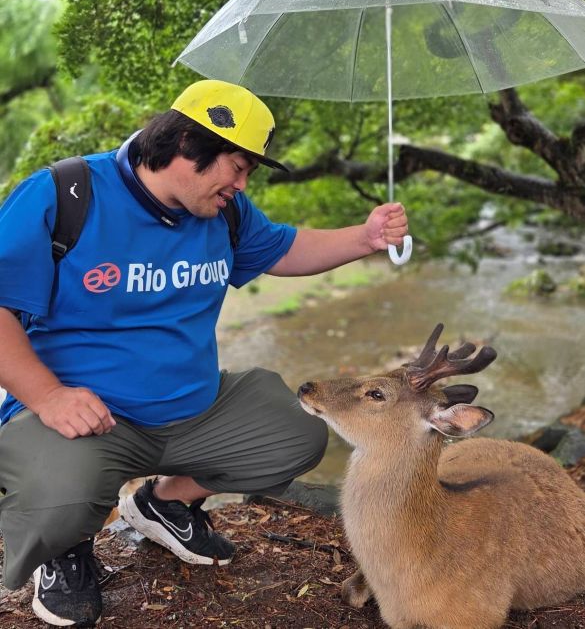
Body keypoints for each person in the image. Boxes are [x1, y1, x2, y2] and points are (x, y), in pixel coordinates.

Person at [0, 79, 409, 627]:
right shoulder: (65, 194)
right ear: (187, 147)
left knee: (299, 433)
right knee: (57, 497)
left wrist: (365, 236)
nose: (241, 185)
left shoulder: (224, 213)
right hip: (85, 418)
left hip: (195, 411)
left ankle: (163, 503)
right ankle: (66, 548)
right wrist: (48, 396)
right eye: (237, 167)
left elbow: (284, 248)